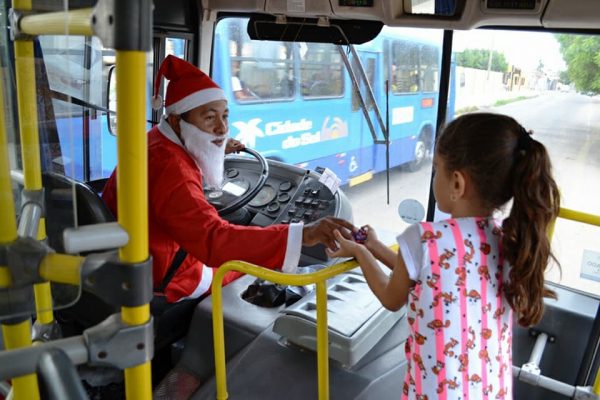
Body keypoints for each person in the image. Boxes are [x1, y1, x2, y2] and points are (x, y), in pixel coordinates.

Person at [101, 55, 354, 357]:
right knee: (256, 267)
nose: (221, 129)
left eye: (225, 117)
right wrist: (302, 234)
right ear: (175, 120)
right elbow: (212, 240)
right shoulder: (173, 171)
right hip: (165, 278)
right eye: (209, 118)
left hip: (127, 262)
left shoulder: (156, 142)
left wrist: (217, 145)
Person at [326, 112, 560, 400]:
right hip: (490, 389)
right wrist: (375, 246)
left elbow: (392, 297)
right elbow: (428, 275)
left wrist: (360, 252)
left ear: (458, 184)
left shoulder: (422, 237)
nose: (434, 174)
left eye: (437, 168)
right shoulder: (509, 240)